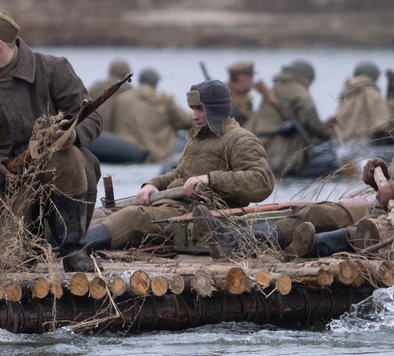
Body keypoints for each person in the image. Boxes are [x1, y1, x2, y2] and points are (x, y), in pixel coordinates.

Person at [199, 72, 394, 258]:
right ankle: (237, 240)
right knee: (318, 214)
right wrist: (383, 176)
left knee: (361, 233)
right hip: (385, 209)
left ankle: (309, 248)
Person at [0, 8, 102, 269]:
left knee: (70, 157)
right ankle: (31, 244)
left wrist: (71, 134)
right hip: (0, 179)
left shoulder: (54, 69)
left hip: (51, 170)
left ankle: (73, 249)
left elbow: (93, 119)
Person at [74, 80, 273, 257]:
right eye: (192, 109)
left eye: (199, 109)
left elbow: (262, 180)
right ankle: (62, 246)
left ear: (216, 109)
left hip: (202, 215)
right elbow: (178, 174)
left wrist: (210, 179)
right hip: (171, 206)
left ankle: (73, 252)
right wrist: (152, 185)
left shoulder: (241, 139)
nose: (193, 116)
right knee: (103, 215)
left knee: (131, 218)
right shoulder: (198, 138)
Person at [251, 58, 334, 176]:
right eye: (311, 81)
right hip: (280, 151)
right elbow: (314, 124)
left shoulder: (276, 89)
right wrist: (331, 135)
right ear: (306, 78)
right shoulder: (300, 92)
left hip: (262, 148)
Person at [109, 68, 195, 163]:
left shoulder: (122, 99)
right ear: (156, 82)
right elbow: (185, 120)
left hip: (125, 149)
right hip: (157, 153)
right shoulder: (164, 100)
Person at [334, 61, 394, 144]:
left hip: (347, 142)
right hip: (368, 143)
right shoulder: (372, 94)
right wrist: (393, 86)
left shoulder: (348, 92)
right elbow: (385, 121)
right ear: (374, 76)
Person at [88, 58, 132, 133]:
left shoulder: (95, 87)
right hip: (115, 137)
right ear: (126, 73)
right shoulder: (129, 90)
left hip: (92, 132)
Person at [227, 61, 256, 129]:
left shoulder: (244, 97)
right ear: (241, 78)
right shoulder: (225, 97)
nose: (252, 81)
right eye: (250, 77)